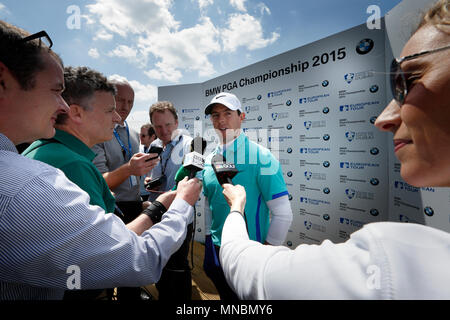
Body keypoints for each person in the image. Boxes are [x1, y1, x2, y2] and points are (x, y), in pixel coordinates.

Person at [219, 0, 450, 299]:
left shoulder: (394, 263)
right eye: (214, 115)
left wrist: (237, 210)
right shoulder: (214, 155)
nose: (384, 119)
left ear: (241, 117)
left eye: (410, 80)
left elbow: (255, 268)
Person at [0, 20, 202, 300]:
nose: (119, 117)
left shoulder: (42, 157)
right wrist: (178, 203)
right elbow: (135, 261)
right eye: (110, 110)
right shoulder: (44, 176)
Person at [21, 66, 162, 300]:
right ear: (76, 113)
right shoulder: (73, 165)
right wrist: (161, 207)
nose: (118, 116)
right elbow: (110, 250)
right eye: (110, 109)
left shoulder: (49, 150)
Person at [202, 92, 293, 300]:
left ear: (241, 116)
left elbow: (283, 214)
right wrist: (208, 239)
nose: (221, 120)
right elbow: (209, 203)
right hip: (217, 249)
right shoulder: (209, 160)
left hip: (251, 253)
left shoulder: (262, 157)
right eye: (215, 115)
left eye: (227, 113)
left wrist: (266, 254)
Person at [146, 101, 194, 300]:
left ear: (176, 122)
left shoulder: (192, 144)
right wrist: (149, 181)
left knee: (178, 266)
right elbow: (151, 173)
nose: (163, 131)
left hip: (179, 216)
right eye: (157, 126)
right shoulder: (154, 145)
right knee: (159, 262)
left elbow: (194, 182)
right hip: (155, 211)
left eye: (168, 125)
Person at [139, 123, 156, 201]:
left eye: (143, 136)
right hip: (141, 193)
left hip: (154, 193)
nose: (140, 138)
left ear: (152, 137)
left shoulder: (161, 152)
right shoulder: (139, 150)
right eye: (140, 135)